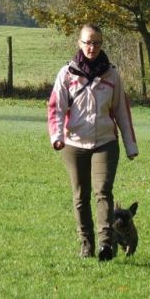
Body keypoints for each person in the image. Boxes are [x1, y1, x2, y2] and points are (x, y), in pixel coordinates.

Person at [48, 24, 138, 261]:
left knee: (103, 192)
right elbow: (56, 108)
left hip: (105, 142)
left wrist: (130, 145)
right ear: (79, 43)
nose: (92, 47)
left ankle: (105, 244)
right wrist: (57, 137)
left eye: (97, 43)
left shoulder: (112, 75)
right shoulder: (67, 74)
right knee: (81, 195)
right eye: (88, 42)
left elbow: (121, 110)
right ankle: (86, 244)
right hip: (74, 143)